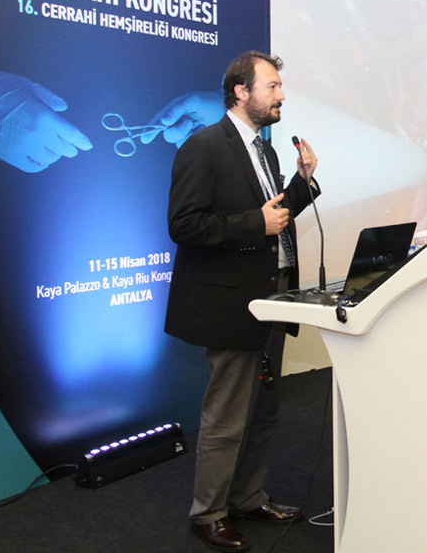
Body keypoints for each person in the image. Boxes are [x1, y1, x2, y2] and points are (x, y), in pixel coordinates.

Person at [164, 51, 320, 551]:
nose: (281, 96)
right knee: (228, 415)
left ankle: (248, 497)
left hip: (274, 296)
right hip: (232, 305)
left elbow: (276, 218)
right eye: (272, 86)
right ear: (241, 91)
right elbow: (184, 225)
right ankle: (208, 514)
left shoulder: (267, 153)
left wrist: (302, 183)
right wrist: (256, 222)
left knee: (264, 409)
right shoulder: (204, 146)